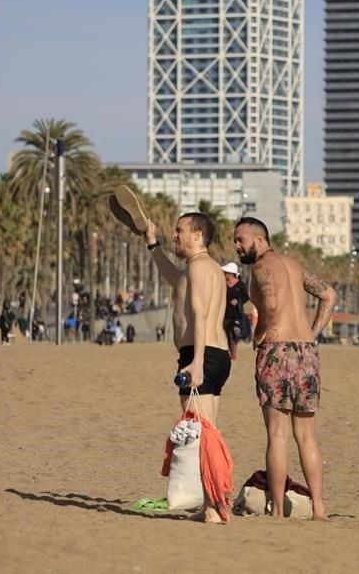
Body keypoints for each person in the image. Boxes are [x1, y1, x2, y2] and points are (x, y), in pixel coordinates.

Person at [235, 216, 335, 521]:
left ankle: (278, 509)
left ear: (260, 240)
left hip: (276, 352)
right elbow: (328, 294)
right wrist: (313, 332)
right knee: (306, 436)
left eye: (241, 239)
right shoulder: (293, 265)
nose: (236, 246)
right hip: (306, 352)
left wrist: (261, 331)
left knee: (277, 434)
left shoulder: (261, 267)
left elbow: (271, 303)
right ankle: (319, 508)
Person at [145, 212, 229, 523]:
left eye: (180, 231)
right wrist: (152, 245)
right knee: (208, 432)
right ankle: (214, 502)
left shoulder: (199, 268)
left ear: (197, 235)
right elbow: (173, 278)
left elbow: (201, 314)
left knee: (203, 435)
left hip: (201, 355)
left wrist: (196, 362)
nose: (175, 235)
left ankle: (213, 507)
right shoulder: (204, 268)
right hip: (213, 354)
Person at [221, 261, 254, 360]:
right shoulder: (222, 284)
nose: (224, 274)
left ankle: (233, 354)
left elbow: (246, 297)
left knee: (233, 335)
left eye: (226, 272)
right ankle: (227, 352)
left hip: (236, 313)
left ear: (231, 274)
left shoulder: (240, 285)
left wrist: (238, 300)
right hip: (224, 313)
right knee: (225, 333)